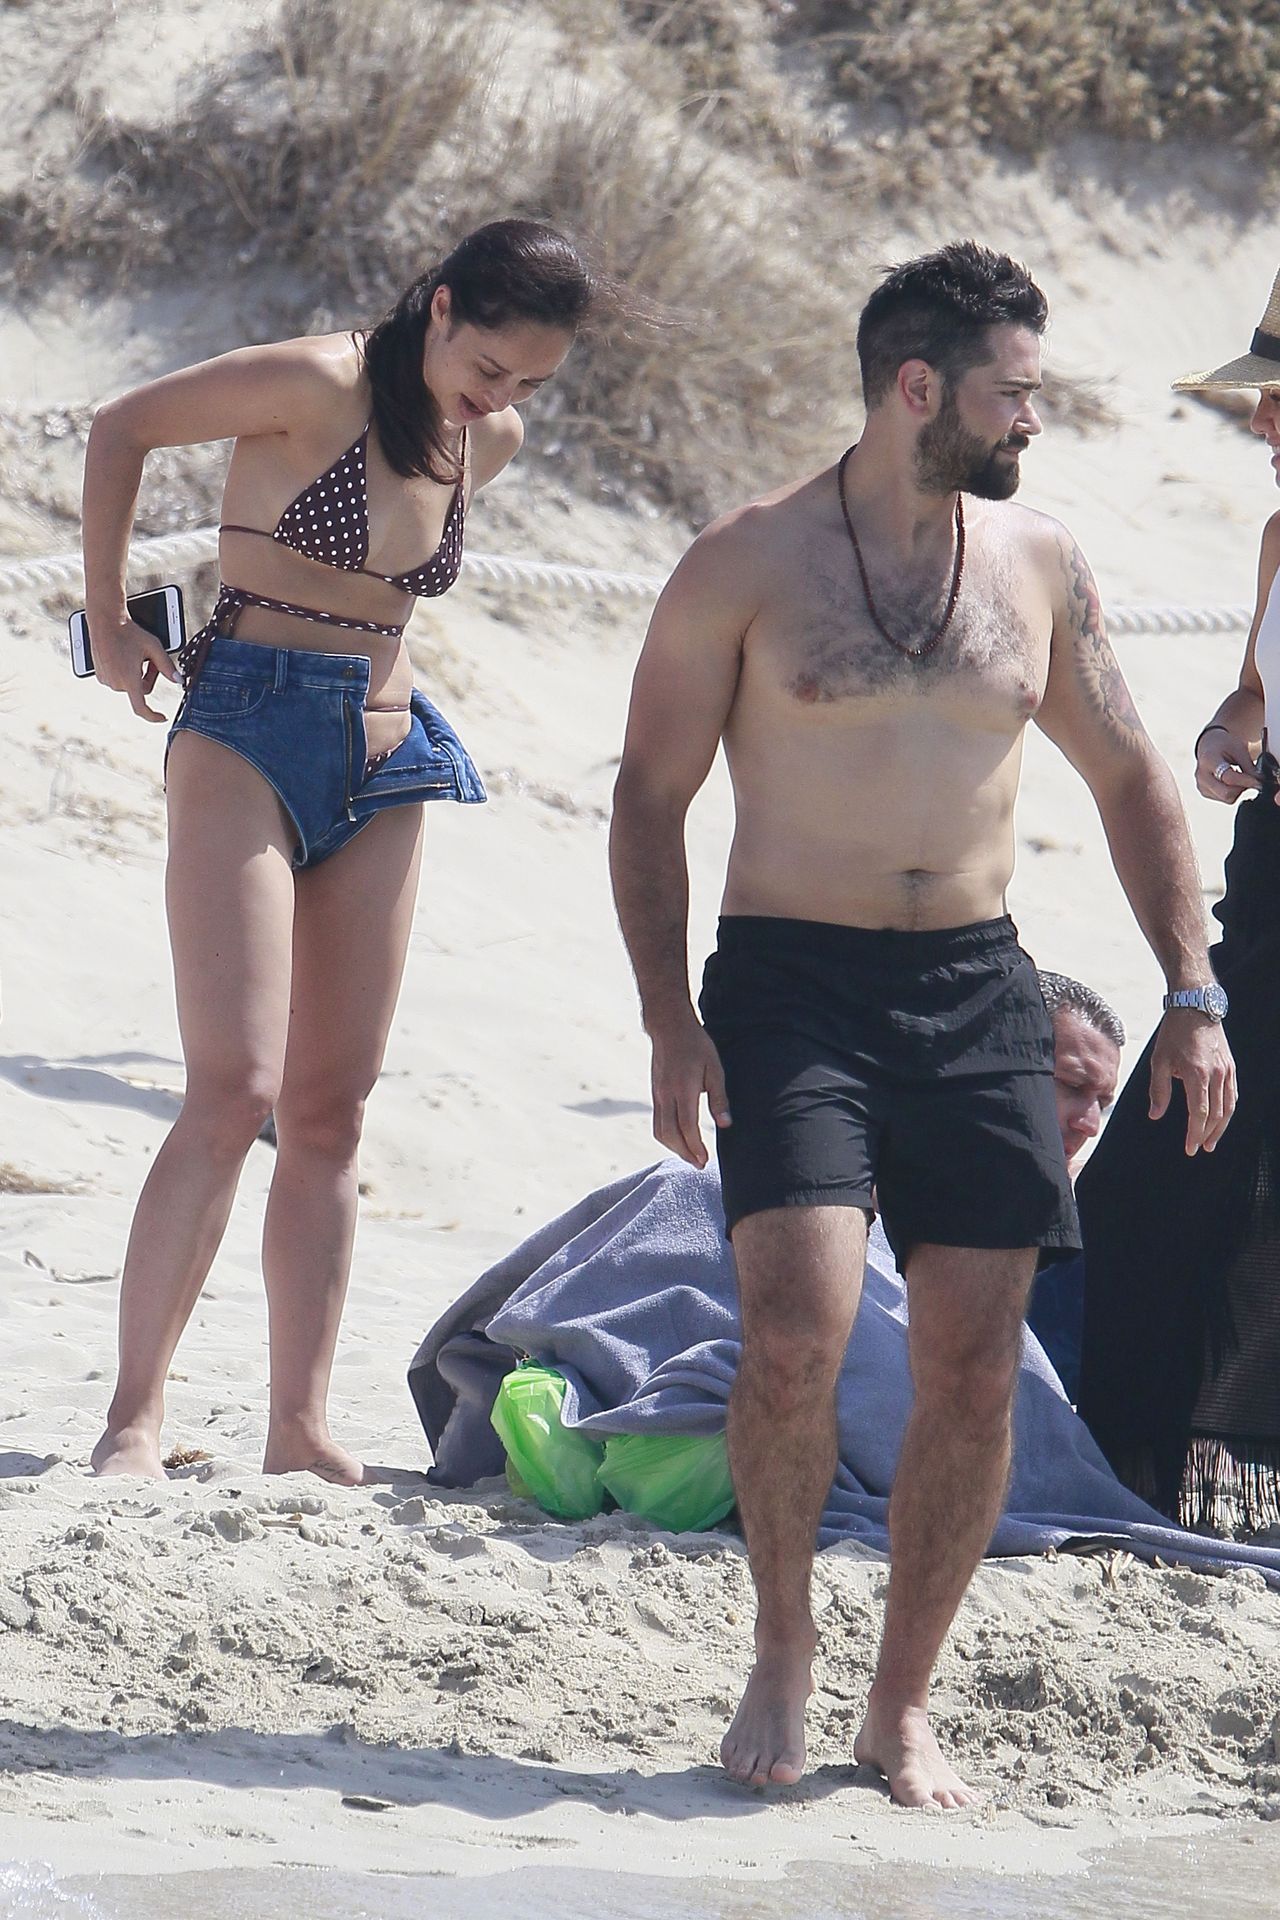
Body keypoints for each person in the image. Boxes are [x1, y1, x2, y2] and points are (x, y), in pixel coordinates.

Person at [608, 240, 1235, 1810]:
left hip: (974, 987)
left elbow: (1132, 776)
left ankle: (900, 1704)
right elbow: (649, 796)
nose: (1033, 418)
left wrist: (1192, 987)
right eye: (1011, 392)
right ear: (915, 388)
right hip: (789, 986)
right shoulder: (746, 562)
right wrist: (670, 1018)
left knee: (971, 1366)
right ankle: (781, 1649)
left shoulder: (1037, 563)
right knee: (794, 1333)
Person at [84, 219, 594, 1485]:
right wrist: (107, 618)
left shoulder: (490, 440)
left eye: (531, 382)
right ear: (439, 307)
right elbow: (122, 426)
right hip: (245, 728)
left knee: (329, 1109)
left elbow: (390, 593)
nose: (500, 397)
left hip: (387, 748)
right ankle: (132, 1420)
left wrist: (494, 407)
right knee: (233, 1088)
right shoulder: (315, 379)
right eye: (490, 364)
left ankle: (298, 1425)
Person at [1077, 266, 1280, 1539]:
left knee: (1197, 1174)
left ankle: (1156, 1476)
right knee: (1163, 1173)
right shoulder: (1279, 535)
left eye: (1279, 400)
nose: (1259, 420)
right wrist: (1226, 731)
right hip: (1264, 882)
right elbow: (1255, 685)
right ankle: (1141, 1476)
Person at [1023, 972, 1124, 1402]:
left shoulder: (1094, 1214)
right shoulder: (881, 1197)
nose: (1090, 1124)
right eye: (1074, 1086)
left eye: (1103, 1102)